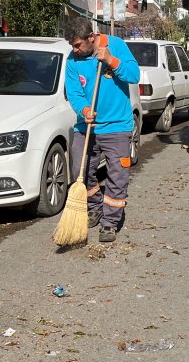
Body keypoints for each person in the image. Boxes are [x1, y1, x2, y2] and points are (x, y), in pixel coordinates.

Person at [63, 17, 140, 242]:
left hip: (117, 126)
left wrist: (111, 60)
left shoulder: (115, 45)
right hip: (87, 126)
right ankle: (96, 206)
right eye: (72, 46)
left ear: (91, 37)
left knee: (118, 175)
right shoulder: (72, 60)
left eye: (78, 45)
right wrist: (85, 110)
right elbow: (74, 93)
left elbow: (134, 75)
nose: (75, 50)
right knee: (81, 169)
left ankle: (110, 221)